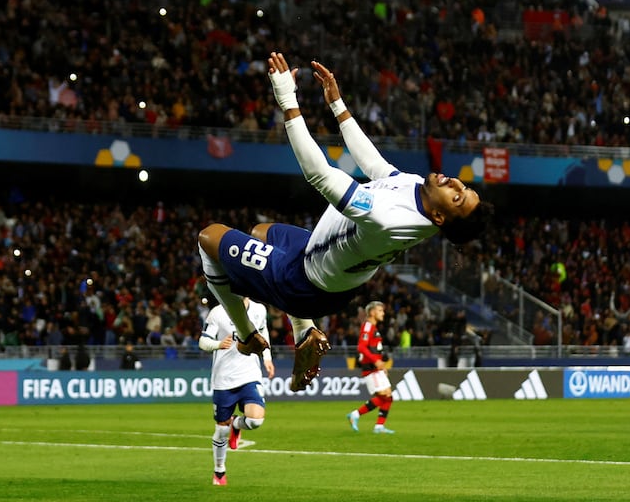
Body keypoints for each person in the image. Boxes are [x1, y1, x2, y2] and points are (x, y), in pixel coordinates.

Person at [197, 51, 494, 391]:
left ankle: (247, 334)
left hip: (306, 282)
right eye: (463, 186)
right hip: (322, 267)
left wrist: (287, 100)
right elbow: (375, 165)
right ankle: (303, 330)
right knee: (260, 232)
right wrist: (338, 105)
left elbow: (319, 174)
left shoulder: (389, 219)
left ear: (441, 216)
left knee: (209, 238)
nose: (455, 183)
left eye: (457, 196)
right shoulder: (419, 194)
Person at [199, 298, 275, 486]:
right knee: (221, 429)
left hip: (250, 374)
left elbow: (263, 332)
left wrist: (267, 357)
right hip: (224, 379)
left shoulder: (259, 309)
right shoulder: (218, 312)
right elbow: (203, 341)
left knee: (256, 420)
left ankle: (237, 425)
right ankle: (219, 471)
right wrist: (217, 345)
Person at [347, 301, 395, 434]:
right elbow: (361, 347)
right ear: (372, 312)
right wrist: (377, 362)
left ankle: (379, 426)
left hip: (376, 368)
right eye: (380, 311)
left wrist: (381, 365)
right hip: (370, 368)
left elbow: (373, 349)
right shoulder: (368, 326)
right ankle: (355, 414)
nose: (383, 313)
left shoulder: (373, 328)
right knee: (385, 395)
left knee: (388, 397)